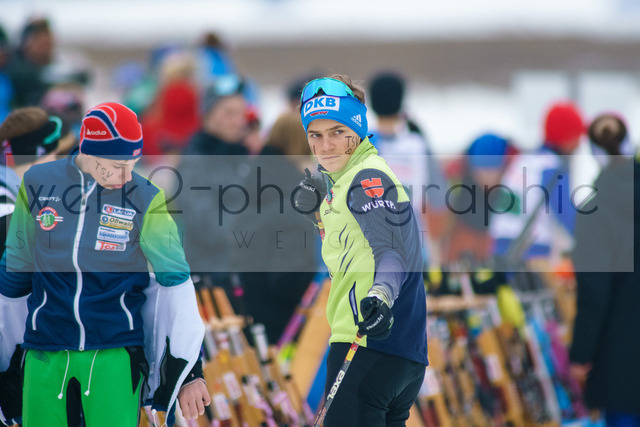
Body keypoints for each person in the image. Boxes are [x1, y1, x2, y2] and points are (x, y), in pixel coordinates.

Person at [0, 102, 210, 426]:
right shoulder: (38, 182)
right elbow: (13, 275)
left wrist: (191, 371)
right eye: (116, 165)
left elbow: (175, 283)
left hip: (114, 352)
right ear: (89, 151)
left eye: (133, 163)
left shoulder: (145, 196)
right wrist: (5, 362)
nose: (126, 175)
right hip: (44, 350)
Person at [294, 75, 428, 426]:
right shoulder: (348, 181)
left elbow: (392, 251)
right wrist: (318, 215)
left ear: (358, 129)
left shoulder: (366, 179)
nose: (325, 145)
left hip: (367, 341)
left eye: (337, 132)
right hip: (395, 349)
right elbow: (352, 251)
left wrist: (381, 296)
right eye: (315, 135)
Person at [569, 113, 640, 426]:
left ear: (593, 152)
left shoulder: (595, 210)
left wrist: (581, 353)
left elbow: (594, 292)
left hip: (621, 357)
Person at [228, 111, 317, 344]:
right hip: (282, 325)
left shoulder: (253, 179)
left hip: (246, 309)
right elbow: (290, 278)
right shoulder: (294, 197)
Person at [177, 74, 250, 311]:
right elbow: (207, 224)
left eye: (241, 113)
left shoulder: (241, 156)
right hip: (211, 281)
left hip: (241, 276)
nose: (238, 121)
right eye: (229, 113)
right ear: (208, 116)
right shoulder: (195, 161)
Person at [490, 101, 584, 271]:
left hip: (501, 248)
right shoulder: (552, 167)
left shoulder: (524, 161)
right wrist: (595, 240)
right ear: (566, 137)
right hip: (529, 252)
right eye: (577, 136)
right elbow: (568, 215)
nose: (579, 144)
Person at [4, 16, 55, 108]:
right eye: (42, 45)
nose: (46, 50)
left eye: (49, 45)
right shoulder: (16, 70)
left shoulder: (49, 67)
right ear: (27, 43)